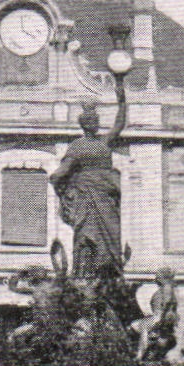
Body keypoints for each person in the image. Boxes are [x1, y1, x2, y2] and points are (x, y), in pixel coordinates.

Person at [49, 97, 128, 280]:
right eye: (93, 122)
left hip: (106, 199)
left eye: (97, 121)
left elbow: (119, 123)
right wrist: (65, 192)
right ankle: (84, 277)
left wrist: (122, 100)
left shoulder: (103, 142)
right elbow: (60, 173)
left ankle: (111, 275)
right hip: (86, 200)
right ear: (86, 125)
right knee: (86, 238)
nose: (97, 125)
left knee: (112, 237)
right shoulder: (77, 147)